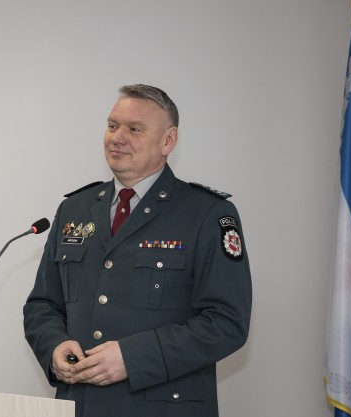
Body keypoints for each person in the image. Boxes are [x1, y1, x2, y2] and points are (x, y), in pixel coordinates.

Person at [23, 84, 251, 417]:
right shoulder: (74, 209)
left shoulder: (207, 214)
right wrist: (53, 345)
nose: (117, 137)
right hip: (81, 406)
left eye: (134, 129)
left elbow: (227, 323)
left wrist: (132, 358)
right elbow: (42, 304)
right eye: (112, 125)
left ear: (168, 141)